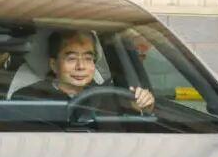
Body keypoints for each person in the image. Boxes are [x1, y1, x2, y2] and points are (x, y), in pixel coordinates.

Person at [12, 30, 155, 114]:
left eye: (88, 58)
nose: (81, 66)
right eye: (71, 58)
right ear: (54, 65)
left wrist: (144, 105)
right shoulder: (28, 98)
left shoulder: (111, 96)